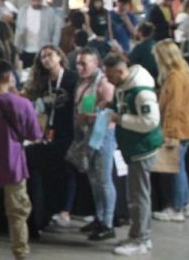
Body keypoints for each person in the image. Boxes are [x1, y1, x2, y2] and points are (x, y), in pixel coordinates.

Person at [0, 60, 42, 260]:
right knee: (18, 214)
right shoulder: (23, 104)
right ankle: (20, 253)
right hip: (15, 167)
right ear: (9, 77)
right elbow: (34, 135)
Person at [104, 53, 163, 257]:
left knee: (139, 196)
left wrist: (120, 119)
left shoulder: (142, 92)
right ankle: (139, 234)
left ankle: (140, 239)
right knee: (136, 194)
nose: (108, 80)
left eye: (110, 76)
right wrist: (108, 107)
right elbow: (121, 107)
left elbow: (151, 121)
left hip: (142, 150)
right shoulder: (123, 87)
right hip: (132, 149)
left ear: (121, 71)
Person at [24, 45, 78, 230]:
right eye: (43, 57)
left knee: (68, 168)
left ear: (59, 56)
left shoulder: (72, 78)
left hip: (69, 130)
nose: (46, 59)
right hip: (48, 131)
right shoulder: (41, 81)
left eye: (50, 55)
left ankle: (66, 210)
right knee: (50, 170)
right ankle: (48, 210)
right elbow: (27, 97)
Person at [73, 48, 117, 241]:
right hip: (87, 135)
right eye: (78, 63)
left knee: (104, 180)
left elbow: (110, 113)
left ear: (95, 63)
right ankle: (99, 218)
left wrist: (90, 117)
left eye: (84, 63)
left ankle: (108, 222)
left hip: (102, 135)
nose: (80, 67)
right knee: (93, 179)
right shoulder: (84, 81)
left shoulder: (104, 83)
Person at [151, 40, 189, 222]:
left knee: (175, 170)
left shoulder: (175, 77)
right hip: (185, 128)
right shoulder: (186, 73)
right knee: (181, 168)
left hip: (176, 130)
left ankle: (176, 209)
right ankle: (185, 204)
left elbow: (173, 108)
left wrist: (167, 132)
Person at [15, 0, 61, 69]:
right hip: (26, 50)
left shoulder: (50, 12)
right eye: (33, 0)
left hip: (43, 50)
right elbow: (18, 31)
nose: (36, 3)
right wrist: (16, 49)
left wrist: (54, 48)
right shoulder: (22, 11)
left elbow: (56, 32)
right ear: (29, 0)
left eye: (38, 0)